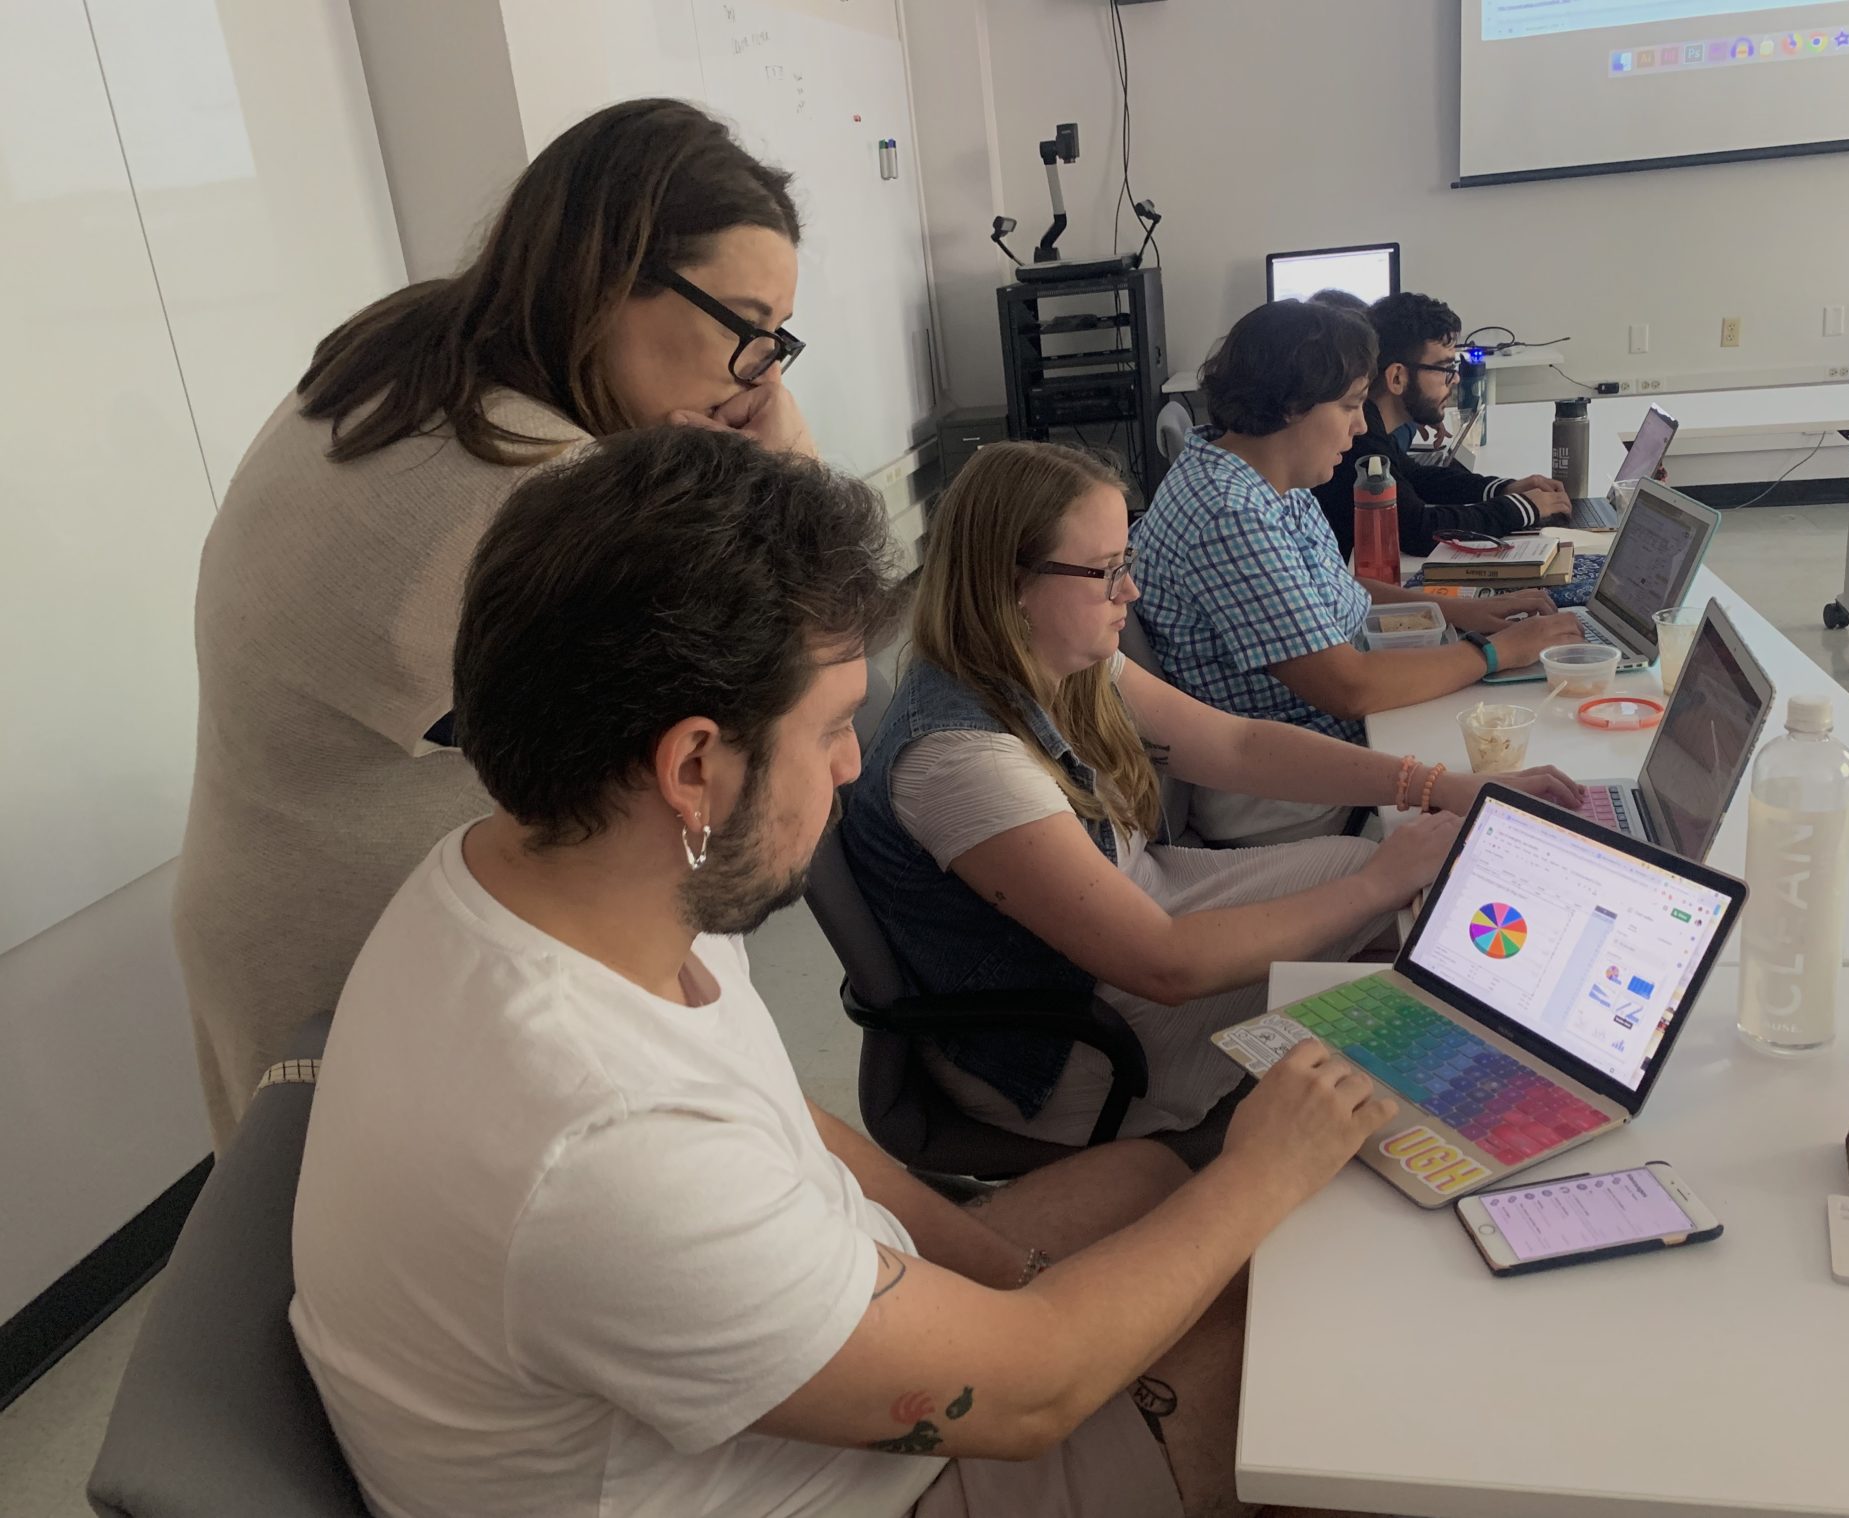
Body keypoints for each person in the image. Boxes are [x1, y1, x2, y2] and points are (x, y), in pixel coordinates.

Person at [292, 424, 1407, 1518]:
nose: (853, 763)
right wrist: (1264, 1168)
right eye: (828, 726)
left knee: (1161, 1191)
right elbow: (1031, 1396)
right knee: (1305, 1333)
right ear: (690, 766)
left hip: (799, 1339)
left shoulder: (569, 872)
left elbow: (778, 1113)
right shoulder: (597, 1145)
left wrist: (987, 1263)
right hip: (872, 1483)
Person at [175, 99, 819, 1147]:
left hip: (257, 881)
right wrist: (781, 448)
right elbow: (795, 649)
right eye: (746, 330)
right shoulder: (528, 476)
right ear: (612, 281)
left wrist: (750, 403)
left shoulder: (415, 351)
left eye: (776, 342)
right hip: (355, 931)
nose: (759, 375)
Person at [840, 441, 1579, 1149]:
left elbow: (1236, 745)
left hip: (1137, 925)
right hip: (1072, 1050)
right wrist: (1387, 877)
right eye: (1105, 571)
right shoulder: (960, 760)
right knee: (1393, 888)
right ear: (1012, 583)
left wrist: (1440, 786)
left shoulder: (1059, 656)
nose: (1130, 588)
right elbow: (1166, 965)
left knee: (1392, 880)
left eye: (1125, 562)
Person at [1131, 299, 1584, 841]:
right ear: (1293, 405)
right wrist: (1495, 652)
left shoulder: (1256, 473)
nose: (1361, 425)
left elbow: (1335, 586)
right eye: (1350, 405)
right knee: (1535, 792)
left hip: (1335, 733)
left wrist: (1470, 612)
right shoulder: (1230, 514)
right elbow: (1348, 687)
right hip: (1288, 786)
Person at [1313, 290, 1572, 559]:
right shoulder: (1360, 436)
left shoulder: (1374, 427)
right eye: (1446, 368)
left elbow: (1416, 477)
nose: (1456, 379)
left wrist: (1503, 489)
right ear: (1398, 378)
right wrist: (1522, 508)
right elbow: (1417, 530)